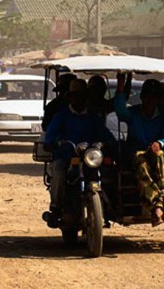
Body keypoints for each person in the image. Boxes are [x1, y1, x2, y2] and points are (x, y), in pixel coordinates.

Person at [43, 78, 115, 226]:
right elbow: (49, 137)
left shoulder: (93, 117)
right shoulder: (61, 116)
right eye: (75, 96)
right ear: (70, 98)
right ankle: (55, 207)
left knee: (109, 174)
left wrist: (107, 143)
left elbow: (106, 135)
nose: (78, 100)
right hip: (66, 157)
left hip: (90, 158)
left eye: (82, 96)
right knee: (59, 173)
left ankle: (109, 208)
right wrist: (52, 144)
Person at [114, 75, 164, 226]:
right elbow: (120, 111)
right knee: (142, 165)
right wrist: (120, 87)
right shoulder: (134, 113)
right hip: (138, 154)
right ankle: (157, 205)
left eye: (153, 97)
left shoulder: (163, 117)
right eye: (147, 97)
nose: (150, 101)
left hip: (157, 153)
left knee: (160, 156)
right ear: (142, 97)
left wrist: (159, 143)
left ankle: (156, 204)